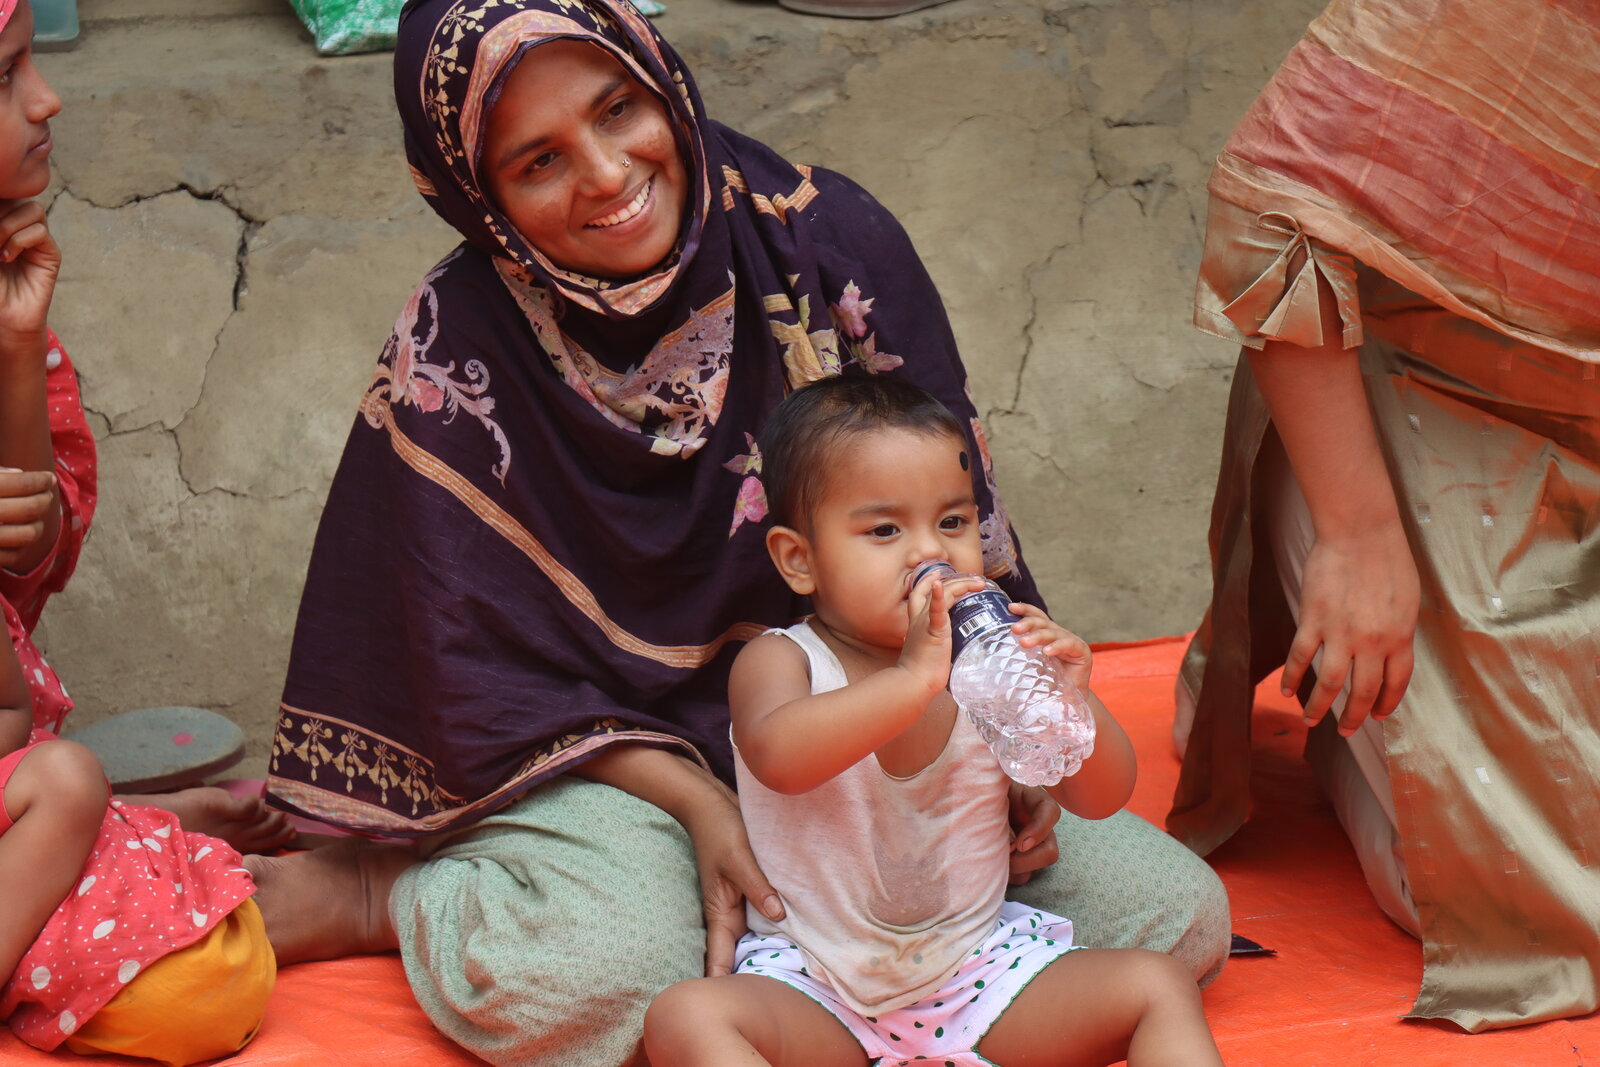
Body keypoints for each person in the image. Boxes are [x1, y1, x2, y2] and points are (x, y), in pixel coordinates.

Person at [250, 1, 1229, 1063]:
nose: (606, 174)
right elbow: (486, 686)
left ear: (657, 76)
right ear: (477, 195)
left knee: (1171, 917)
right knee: (588, 985)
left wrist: (1028, 754)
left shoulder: (824, 244)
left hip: (894, 759)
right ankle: (394, 887)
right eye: (537, 160)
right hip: (630, 763)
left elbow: (953, 515)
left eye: (617, 107)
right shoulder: (459, 351)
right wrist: (702, 804)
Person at [1168, 0, 1600, 1034]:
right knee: (1542, 904)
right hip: (1417, 414)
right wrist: (1358, 538)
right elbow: (1270, 215)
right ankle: (1365, 736)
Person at [643, 376, 1222, 1067]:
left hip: (975, 975)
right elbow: (778, 756)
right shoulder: (781, 659)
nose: (930, 553)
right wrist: (912, 680)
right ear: (800, 560)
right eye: (885, 529)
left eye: (952, 522)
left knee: (1156, 984)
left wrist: (1074, 701)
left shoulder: (988, 663)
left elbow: (1102, 797)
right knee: (686, 1017)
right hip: (817, 984)